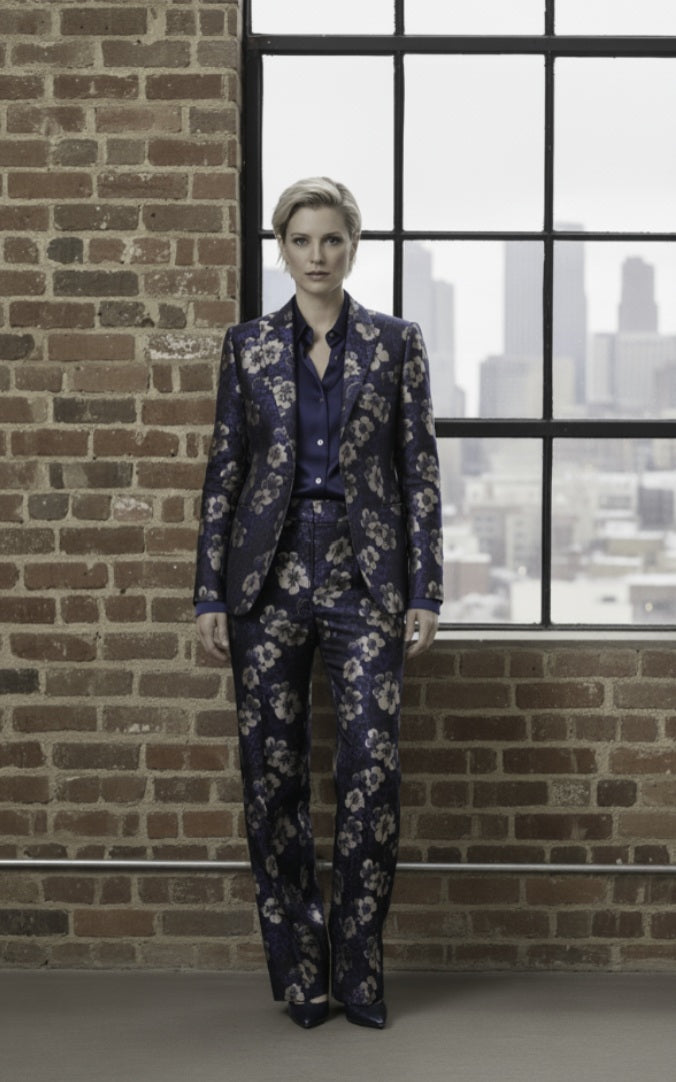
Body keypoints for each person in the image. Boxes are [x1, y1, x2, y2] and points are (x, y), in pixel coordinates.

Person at [194, 177, 443, 1030]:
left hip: (367, 583)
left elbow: (420, 474)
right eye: (302, 241)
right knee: (274, 777)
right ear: (282, 248)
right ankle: (303, 972)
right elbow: (223, 477)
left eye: (332, 240)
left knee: (371, 770)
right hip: (267, 583)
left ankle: (361, 969)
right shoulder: (248, 348)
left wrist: (426, 589)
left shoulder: (396, 343)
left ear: (353, 246)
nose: (317, 256)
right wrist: (209, 596)